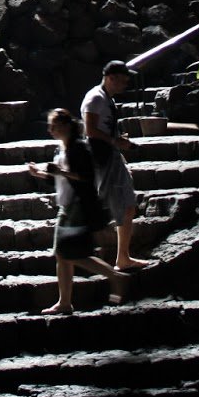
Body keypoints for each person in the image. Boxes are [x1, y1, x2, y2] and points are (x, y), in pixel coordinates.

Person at [25, 108, 130, 314]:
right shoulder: (63, 149)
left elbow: (85, 176)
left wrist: (60, 172)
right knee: (63, 254)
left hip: (78, 207)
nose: (50, 130)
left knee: (70, 253)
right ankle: (64, 302)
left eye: (53, 125)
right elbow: (61, 177)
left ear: (65, 126)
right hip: (67, 206)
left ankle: (114, 277)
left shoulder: (78, 148)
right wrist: (39, 174)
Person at [81, 61, 150, 271]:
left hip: (109, 154)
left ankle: (122, 256)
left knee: (126, 205)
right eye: (122, 81)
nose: (124, 86)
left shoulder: (105, 98)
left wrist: (118, 140)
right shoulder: (95, 98)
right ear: (110, 77)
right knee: (124, 204)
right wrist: (115, 142)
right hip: (103, 156)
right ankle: (120, 257)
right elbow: (90, 130)